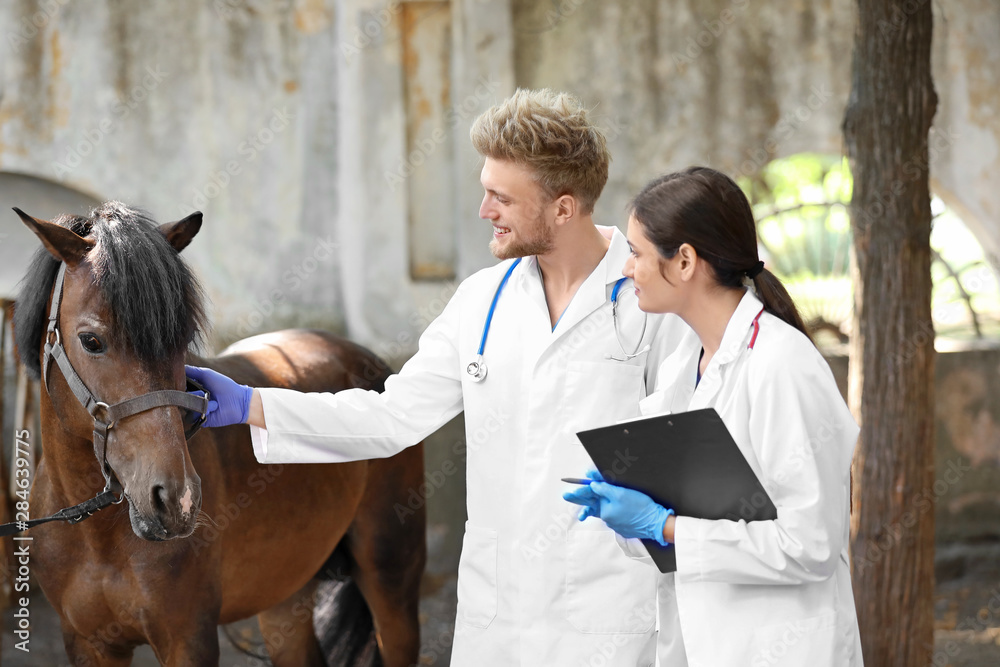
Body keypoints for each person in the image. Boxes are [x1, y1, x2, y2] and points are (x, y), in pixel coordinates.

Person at [187, 89, 687, 665]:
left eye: (501, 197)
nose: (484, 211)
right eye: (485, 190)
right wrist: (253, 403)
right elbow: (391, 416)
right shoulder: (482, 301)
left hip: (611, 618)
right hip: (496, 619)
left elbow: (687, 460)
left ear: (564, 208)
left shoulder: (652, 305)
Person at [563, 167, 863, 666]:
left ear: (684, 262)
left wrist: (666, 526)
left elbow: (810, 544)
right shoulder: (686, 367)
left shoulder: (782, 366)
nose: (626, 269)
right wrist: (636, 510)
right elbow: (688, 532)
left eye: (636, 254)